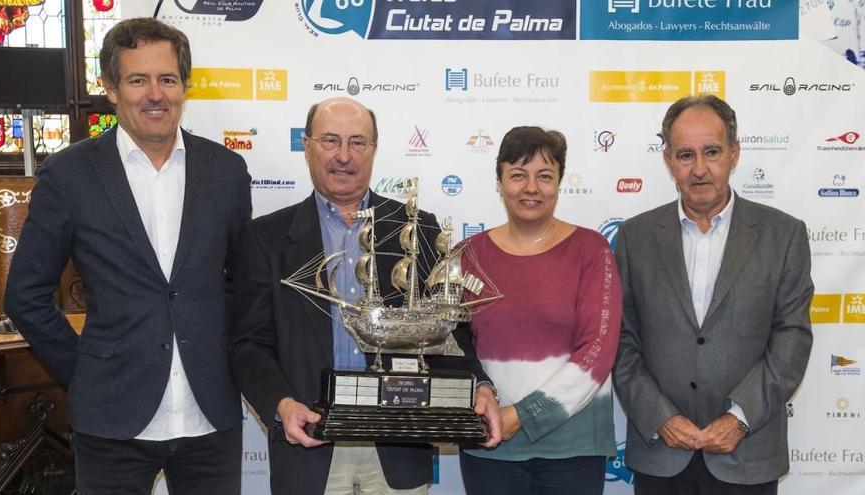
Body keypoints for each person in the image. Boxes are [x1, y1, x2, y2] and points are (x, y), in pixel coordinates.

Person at [4, 18, 252, 495]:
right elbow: (25, 294)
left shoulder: (225, 171)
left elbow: (240, 284)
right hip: (111, 419)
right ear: (111, 89)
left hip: (210, 415)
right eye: (138, 80)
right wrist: (87, 369)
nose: (154, 94)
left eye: (167, 79)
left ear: (183, 87)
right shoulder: (69, 174)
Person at [228, 96, 501, 495]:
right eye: (330, 140)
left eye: (357, 142)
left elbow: (447, 330)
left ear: (374, 149)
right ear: (306, 146)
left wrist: (479, 386)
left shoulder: (418, 230)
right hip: (310, 442)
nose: (343, 155)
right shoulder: (264, 238)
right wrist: (281, 404)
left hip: (399, 446)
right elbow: (248, 345)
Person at [612, 95, 814, 495]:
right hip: (661, 454)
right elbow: (620, 339)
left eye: (712, 152)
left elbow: (792, 338)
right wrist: (659, 417)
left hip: (748, 454)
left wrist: (739, 418)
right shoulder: (635, 238)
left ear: (735, 154)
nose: (699, 169)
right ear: (668, 160)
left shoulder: (783, 235)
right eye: (686, 154)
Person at [458, 126, 622, 495]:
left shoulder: (591, 250)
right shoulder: (466, 255)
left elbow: (598, 351)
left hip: (573, 447)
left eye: (544, 176)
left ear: (559, 183)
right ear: (499, 181)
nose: (531, 187)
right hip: (489, 445)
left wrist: (521, 415)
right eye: (518, 174)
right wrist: (482, 390)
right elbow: (454, 343)